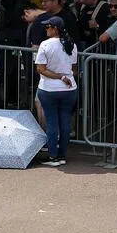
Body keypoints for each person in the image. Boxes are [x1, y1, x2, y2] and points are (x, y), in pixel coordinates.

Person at [35, 15, 78, 165]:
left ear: (55, 29)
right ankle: (62, 155)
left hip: (49, 89)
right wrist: (64, 76)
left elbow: (41, 69)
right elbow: (73, 68)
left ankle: (53, 155)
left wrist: (58, 76)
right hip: (69, 89)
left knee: (52, 122)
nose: (46, 29)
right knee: (65, 121)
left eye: (48, 27)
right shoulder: (71, 44)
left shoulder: (45, 45)